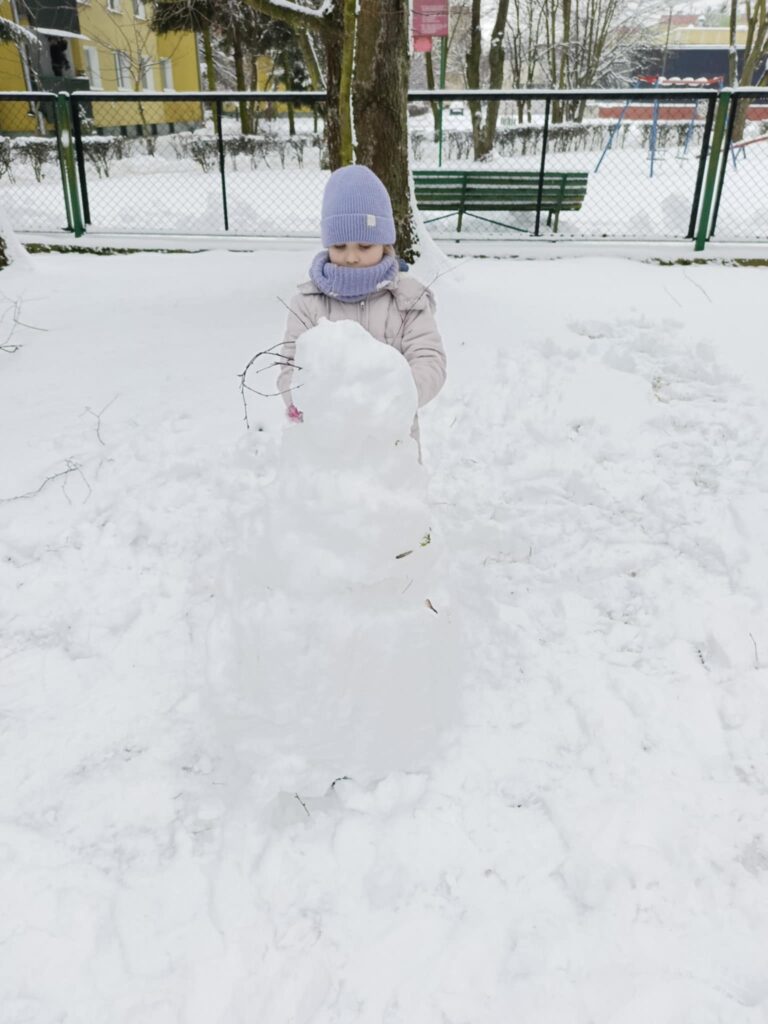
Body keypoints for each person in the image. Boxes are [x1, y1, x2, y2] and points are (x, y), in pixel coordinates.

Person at [278, 165, 446, 449]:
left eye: (365, 245)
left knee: (390, 495)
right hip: (328, 446)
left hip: (391, 445)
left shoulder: (407, 299)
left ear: (384, 243)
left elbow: (429, 360)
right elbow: (289, 367)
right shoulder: (307, 303)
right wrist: (302, 398)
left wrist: (392, 397)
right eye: (339, 245)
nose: (351, 257)